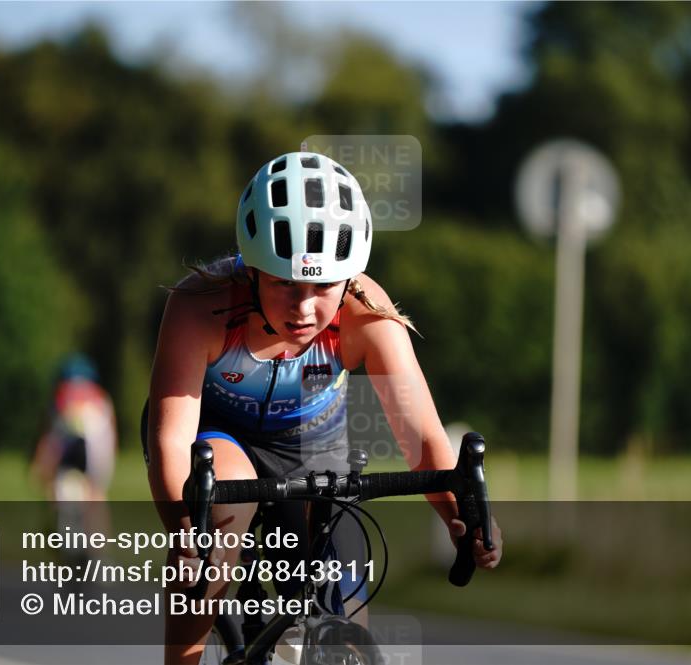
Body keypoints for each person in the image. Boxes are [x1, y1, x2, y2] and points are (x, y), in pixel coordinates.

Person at [143, 152, 502, 665]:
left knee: (345, 617)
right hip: (217, 436)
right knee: (215, 536)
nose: (305, 308)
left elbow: (421, 437)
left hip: (312, 444)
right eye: (285, 283)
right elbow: (172, 439)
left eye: (324, 286)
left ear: (350, 278)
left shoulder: (365, 311)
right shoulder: (201, 305)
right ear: (252, 270)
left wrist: (462, 516)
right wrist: (186, 535)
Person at [32, 353, 118, 512]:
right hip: (98, 451)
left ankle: (59, 521)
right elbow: (110, 434)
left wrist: (41, 467)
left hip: (70, 448)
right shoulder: (102, 396)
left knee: (56, 492)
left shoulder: (61, 395)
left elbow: (50, 437)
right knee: (97, 495)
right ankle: (98, 527)